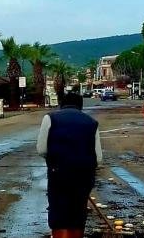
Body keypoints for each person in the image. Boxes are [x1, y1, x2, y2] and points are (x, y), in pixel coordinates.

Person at [36, 92, 102, 238]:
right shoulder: (92, 122)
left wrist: (54, 160)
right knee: (77, 214)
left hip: (59, 174)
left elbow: (41, 149)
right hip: (84, 176)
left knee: (59, 213)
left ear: (61, 104)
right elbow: (98, 158)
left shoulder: (50, 118)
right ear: (81, 106)